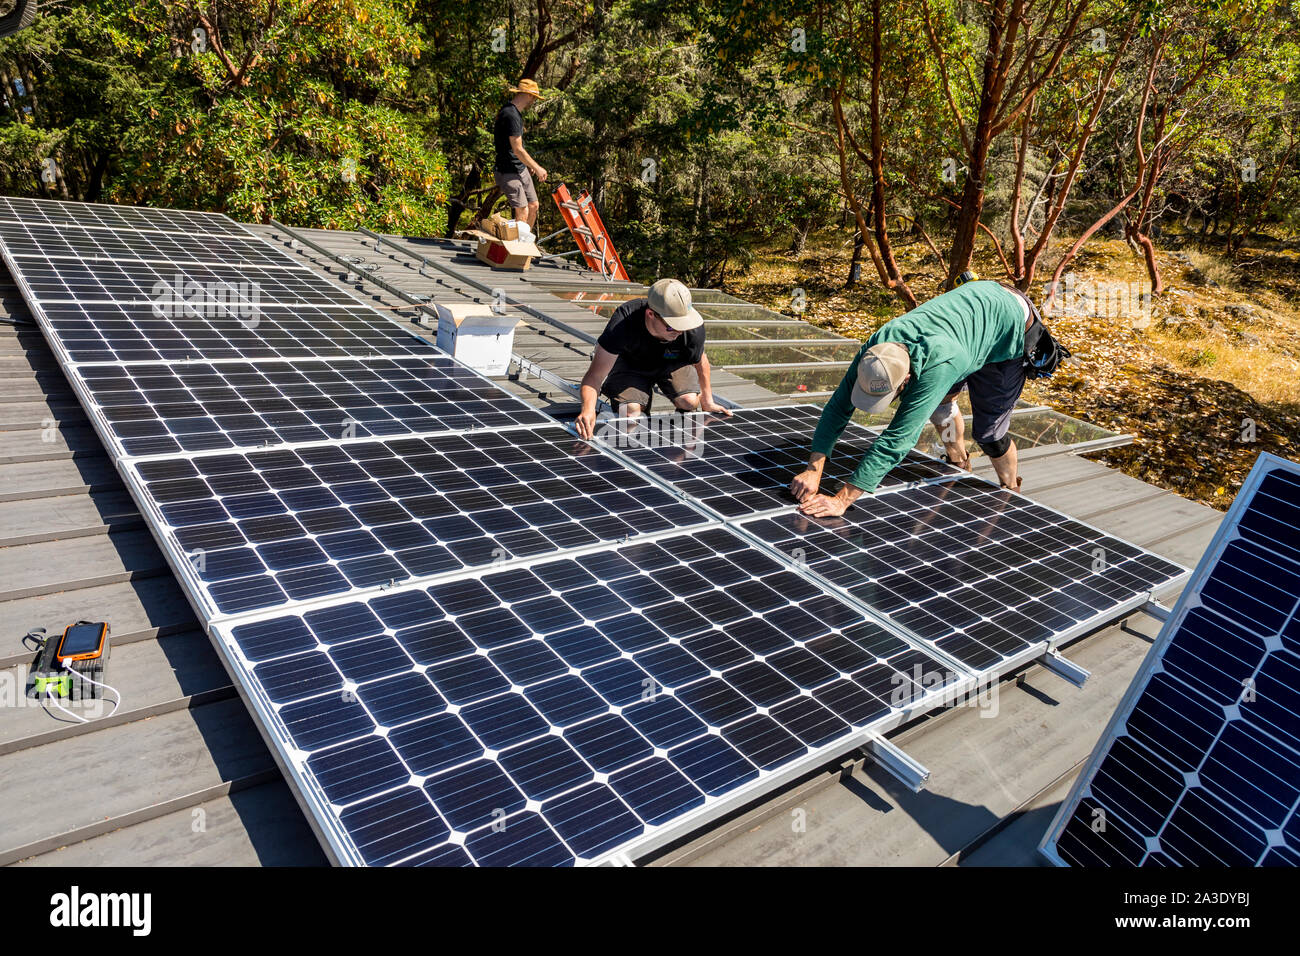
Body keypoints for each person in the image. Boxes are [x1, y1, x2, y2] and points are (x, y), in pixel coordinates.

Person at [790, 279, 1067, 516]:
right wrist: (814, 469)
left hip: (1011, 327)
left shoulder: (938, 367)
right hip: (968, 323)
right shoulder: (878, 349)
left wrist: (841, 501)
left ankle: (1011, 491)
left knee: (989, 434)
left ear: (907, 380)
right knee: (940, 408)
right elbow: (837, 409)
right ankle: (959, 463)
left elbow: (897, 439)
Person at [574, 279, 731, 439]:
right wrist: (588, 409)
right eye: (671, 326)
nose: (678, 331)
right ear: (650, 314)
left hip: (671, 361)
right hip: (631, 363)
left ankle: (678, 436)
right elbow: (595, 375)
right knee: (630, 414)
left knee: (689, 402)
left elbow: (700, 360)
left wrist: (707, 401)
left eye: (682, 325)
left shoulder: (692, 328)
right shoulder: (623, 323)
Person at [493, 78, 547, 228]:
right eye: (534, 98)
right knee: (522, 211)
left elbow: (515, 149)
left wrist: (526, 164)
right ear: (529, 95)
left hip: (519, 168)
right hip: (507, 170)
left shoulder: (514, 112)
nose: (534, 102)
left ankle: (525, 241)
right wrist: (537, 167)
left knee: (533, 206)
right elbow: (517, 149)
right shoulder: (510, 115)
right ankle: (518, 248)